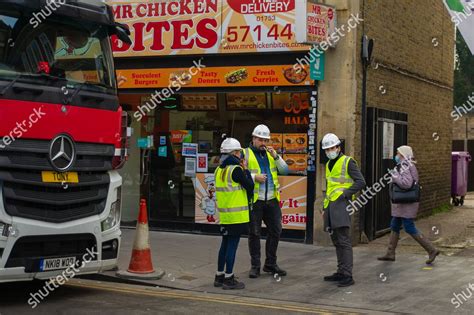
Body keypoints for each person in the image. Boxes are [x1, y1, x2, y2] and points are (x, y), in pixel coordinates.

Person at [378, 145, 440, 264]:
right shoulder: (406, 165)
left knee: (409, 227)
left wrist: (394, 177)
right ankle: (390, 253)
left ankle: (431, 249)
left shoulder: (406, 166)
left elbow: (406, 184)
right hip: (403, 203)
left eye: (398, 153)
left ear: (403, 155)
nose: (396, 155)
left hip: (406, 203)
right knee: (395, 225)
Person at [244, 124, 289, 279]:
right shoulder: (246, 154)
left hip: (272, 199)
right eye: (260, 139)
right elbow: (239, 174)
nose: (263, 143)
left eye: (265, 140)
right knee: (254, 233)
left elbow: (285, 170)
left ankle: (270, 264)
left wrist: (276, 156)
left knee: (276, 231)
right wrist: (253, 177)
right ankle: (255, 266)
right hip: (255, 201)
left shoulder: (271, 154)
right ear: (254, 138)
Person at [322, 133, 366, 287]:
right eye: (326, 149)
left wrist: (345, 194)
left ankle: (347, 275)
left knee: (344, 240)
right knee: (336, 240)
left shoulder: (348, 162)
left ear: (338, 147)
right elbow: (329, 186)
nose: (329, 151)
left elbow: (361, 182)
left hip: (341, 205)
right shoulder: (328, 164)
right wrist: (324, 205)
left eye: (331, 148)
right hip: (330, 206)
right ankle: (341, 271)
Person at [214, 138, 254, 290]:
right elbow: (249, 186)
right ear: (235, 153)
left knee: (224, 244)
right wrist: (246, 170)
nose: (240, 155)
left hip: (224, 216)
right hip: (236, 216)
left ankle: (219, 276)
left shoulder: (219, 170)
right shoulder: (236, 170)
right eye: (239, 152)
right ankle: (229, 278)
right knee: (232, 246)